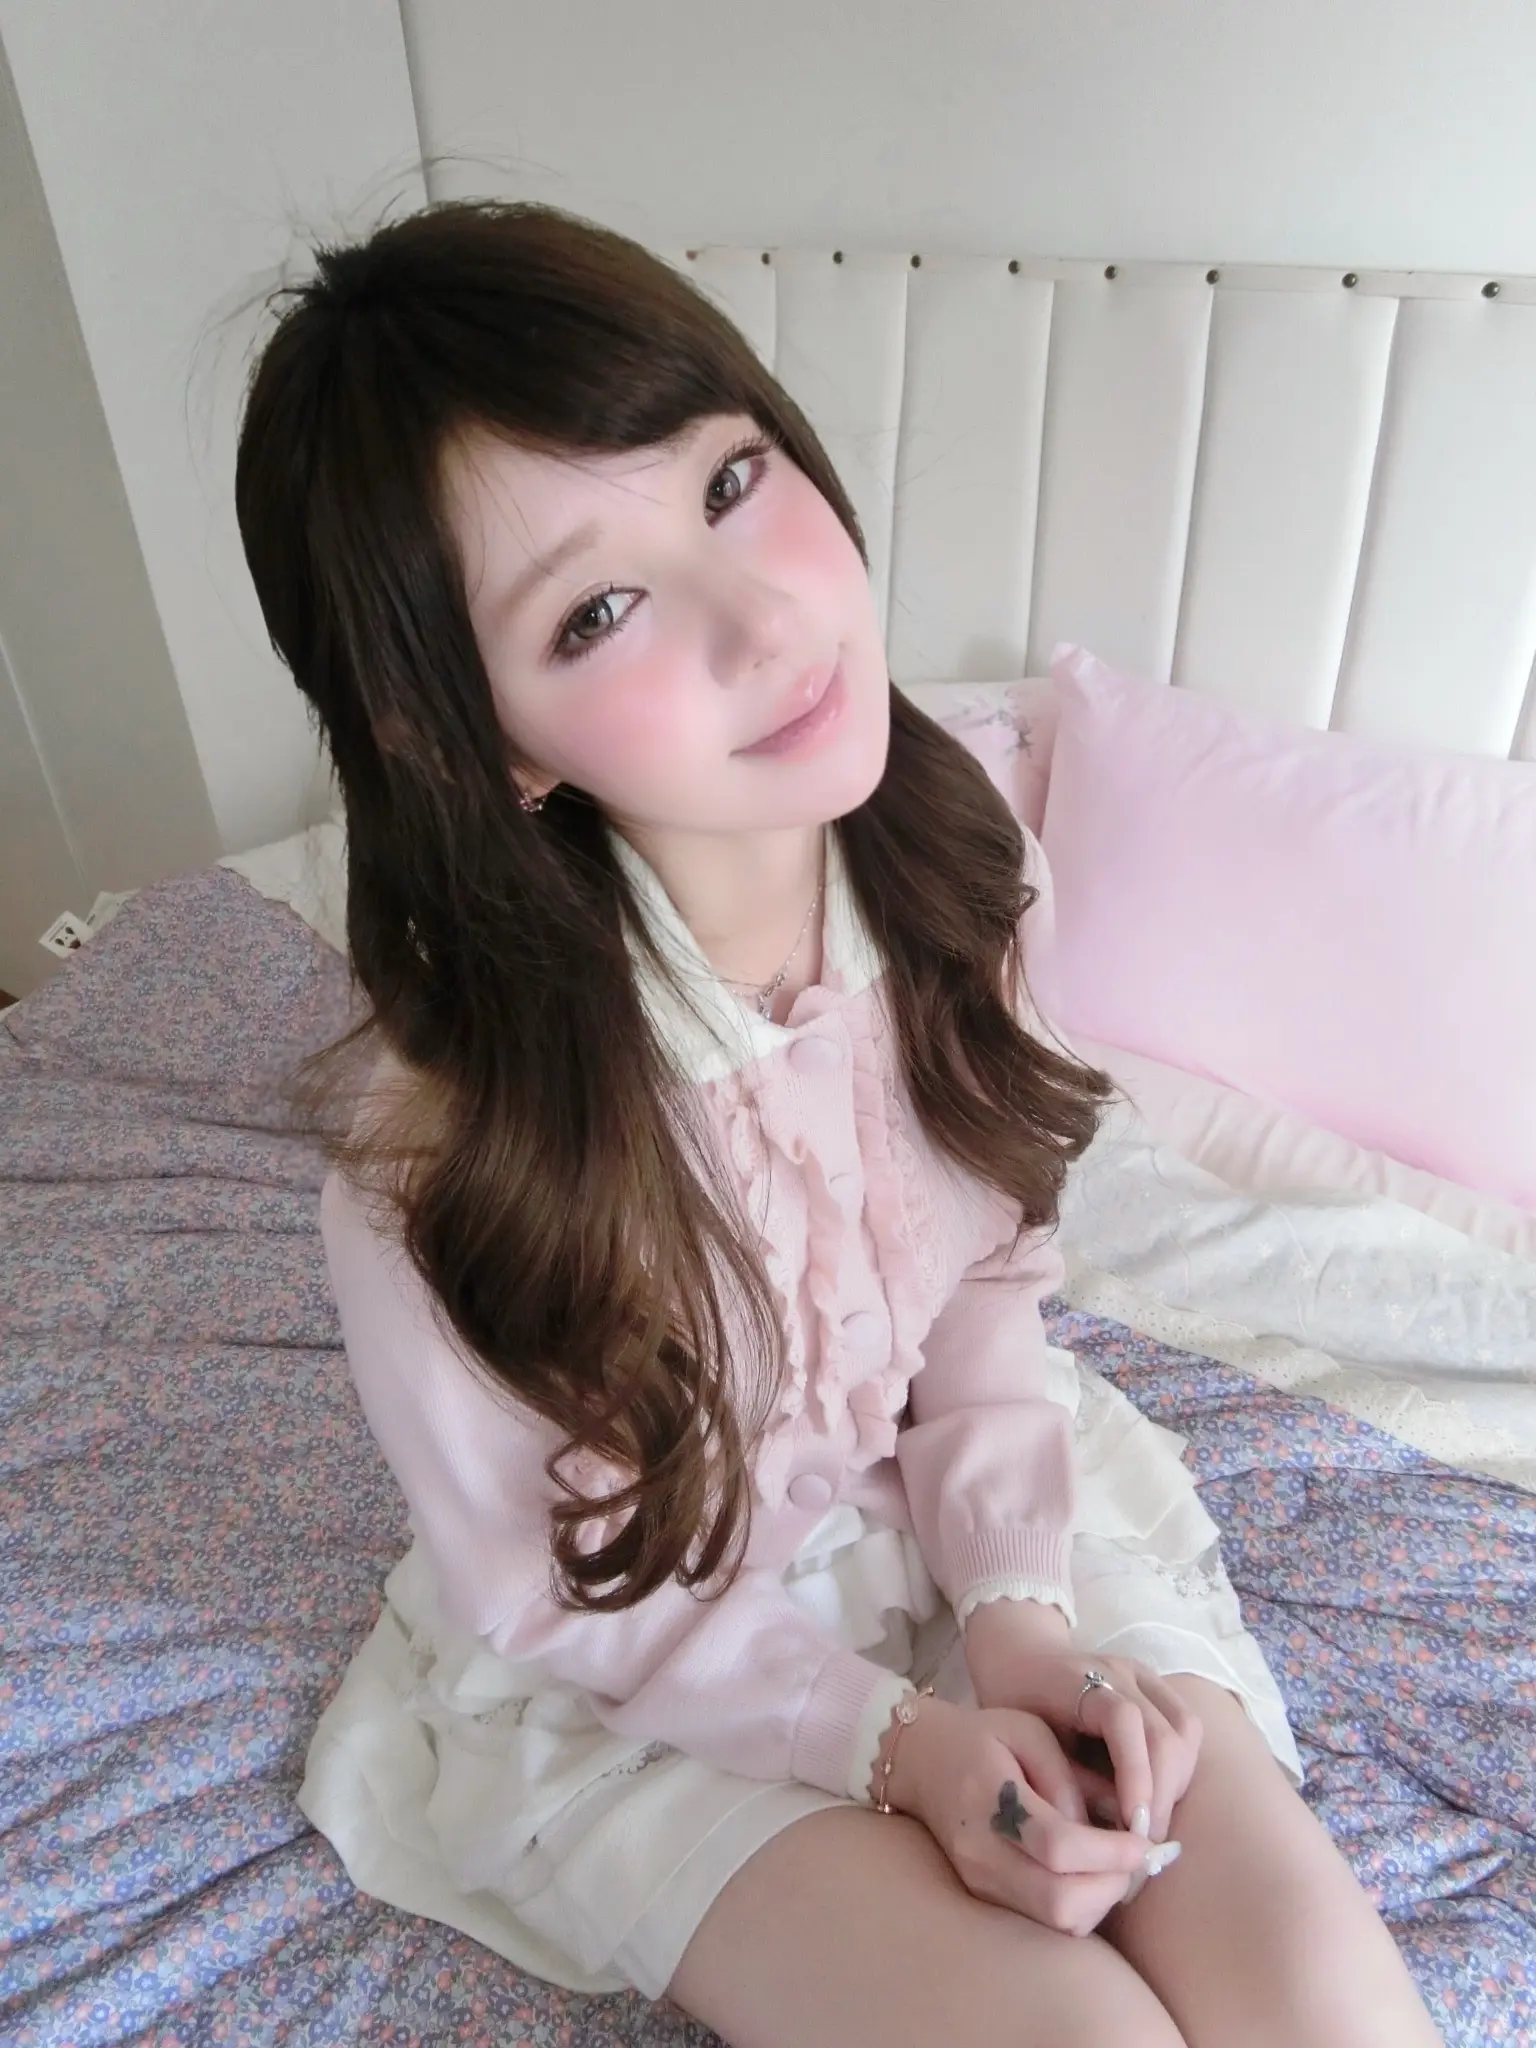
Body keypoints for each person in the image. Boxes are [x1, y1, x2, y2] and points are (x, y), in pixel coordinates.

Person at [234, 196, 1444, 2047]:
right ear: (483, 741)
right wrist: (906, 1749)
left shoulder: (958, 870)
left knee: (1330, 2011)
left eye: (730, 481)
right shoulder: (444, 1159)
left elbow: (982, 1300)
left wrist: (1019, 1622)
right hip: (654, 1668)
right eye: (597, 610)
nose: (766, 618)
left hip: (968, 1517)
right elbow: (582, 1605)